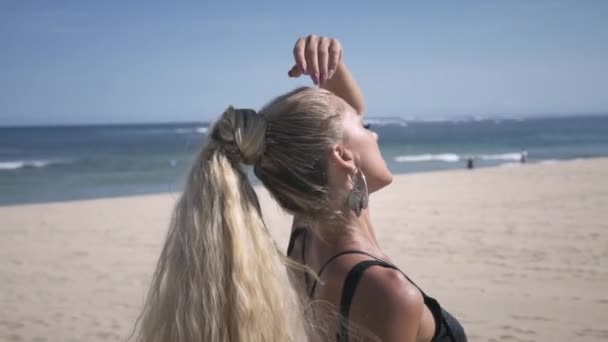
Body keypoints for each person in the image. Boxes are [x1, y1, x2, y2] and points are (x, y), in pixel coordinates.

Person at [135, 35, 467, 342]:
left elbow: (338, 124)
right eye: (365, 128)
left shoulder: (308, 233)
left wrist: (330, 65)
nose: (375, 134)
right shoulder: (386, 293)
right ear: (344, 158)